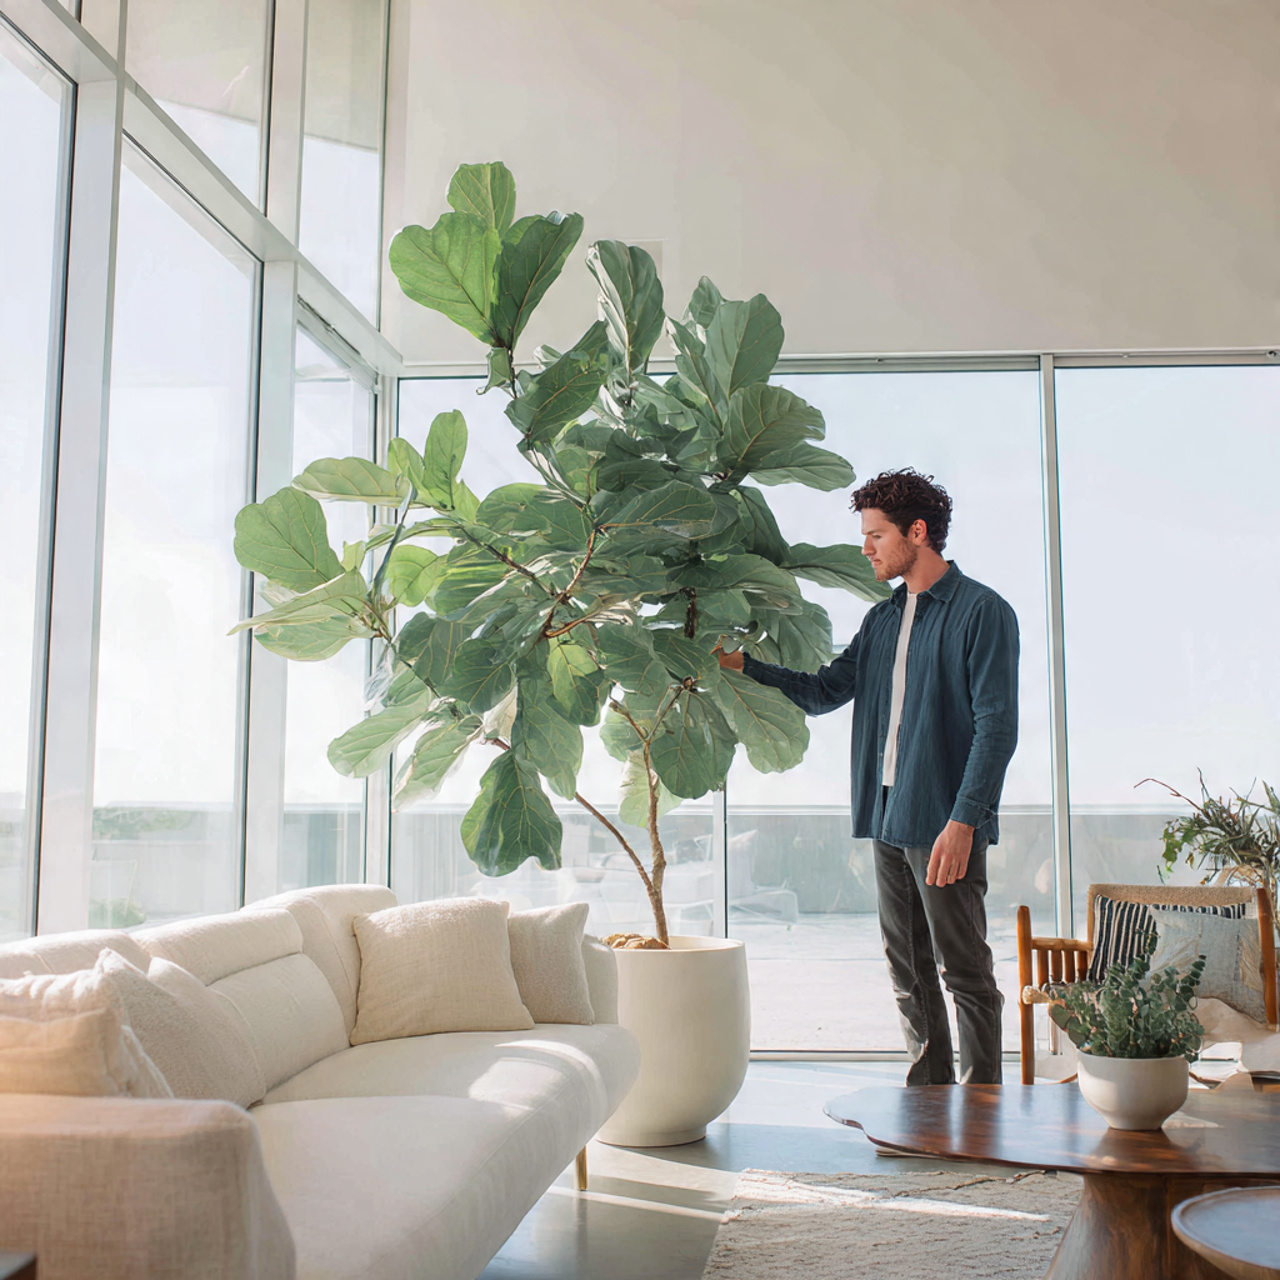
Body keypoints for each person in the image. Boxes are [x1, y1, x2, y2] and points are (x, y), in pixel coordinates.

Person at [718, 468, 1018, 1085]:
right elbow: (827, 690)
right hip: (885, 814)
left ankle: (985, 1105)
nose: (865, 549)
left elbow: (997, 728)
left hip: (942, 818)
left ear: (918, 531)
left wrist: (965, 821)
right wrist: (745, 666)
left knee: (962, 966)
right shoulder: (882, 621)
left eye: (876, 535)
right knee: (906, 967)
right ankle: (930, 1098)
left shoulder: (983, 612)